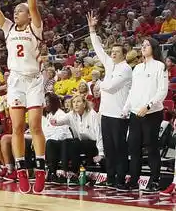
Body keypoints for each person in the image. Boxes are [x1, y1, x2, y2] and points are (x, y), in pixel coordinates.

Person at [0, 0, 47, 194]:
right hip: (15, 81)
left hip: (33, 80)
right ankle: (21, 170)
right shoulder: (9, 29)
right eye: (14, 11)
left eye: (19, 11)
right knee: (18, 127)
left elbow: (33, 6)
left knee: (35, 125)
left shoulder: (35, 28)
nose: (15, 13)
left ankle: (41, 170)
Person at [87, 11, 132, 190]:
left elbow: (111, 86)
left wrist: (98, 84)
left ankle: (121, 178)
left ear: (123, 54)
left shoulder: (126, 69)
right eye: (112, 52)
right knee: (109, 148)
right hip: (105, 113)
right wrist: (92, 30)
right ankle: (111, 176)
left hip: (119, 114)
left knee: (120, 148)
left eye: (116, 52)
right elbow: (98, 49)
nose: (112, 54)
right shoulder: (110, 64)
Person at [122, 37, 168, 193]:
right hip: (135, 113)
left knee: (151, 147)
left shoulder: (160, 66)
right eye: (142, 45)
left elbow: (162, 91)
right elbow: (132, 91)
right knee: (133, 147)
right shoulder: (137, 68)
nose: (143, 47)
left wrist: (148, 106)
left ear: (154, 48)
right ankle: (134, 180)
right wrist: (126, 108)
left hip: (152, 113)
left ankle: (155, 180)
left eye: (147, 45)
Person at [49, 94, 104, 184]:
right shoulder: (72, 114)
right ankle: (53, 173)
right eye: (74, 102)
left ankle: (74, 173)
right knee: (51, 143)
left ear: (84, 104)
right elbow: (61, 121)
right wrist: (55, 121)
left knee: (73, 142)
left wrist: (100, 153)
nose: (76, 104)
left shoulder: (92, 114)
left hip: (92, 145)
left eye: (78, 101)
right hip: (79, 143)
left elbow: (99, 134)